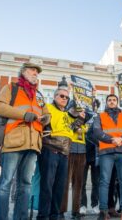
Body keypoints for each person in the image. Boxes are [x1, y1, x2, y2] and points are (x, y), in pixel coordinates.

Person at [0, 62, 49, 220]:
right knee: (5, 183)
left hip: (33, 144)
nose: (35, 73)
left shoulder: (39, 94)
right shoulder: (11, 88)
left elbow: (46, 112)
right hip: (14, 141)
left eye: (37, 72)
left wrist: (46, 118)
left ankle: (21, 217)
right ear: (23, 72)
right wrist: (23, 115)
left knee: (25, 184)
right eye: (32, 70)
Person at [37, 84, 84, 220]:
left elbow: (71, 129)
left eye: (66, 97)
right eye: (61, 96)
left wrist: (80, 119)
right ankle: (43, 215)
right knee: (47, 185)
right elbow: (42, 122)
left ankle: (55, 215)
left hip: (64, 153)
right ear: (55, 96)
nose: (64, 99)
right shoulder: (48, 107)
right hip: (50, 149)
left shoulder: (66, 114)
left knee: (60, 187)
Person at [93, 94, 122, 220]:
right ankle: (103, 211)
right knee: (104, 181)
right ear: (106, 103)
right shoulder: (100, 116)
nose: (111, 102)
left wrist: (121, 139)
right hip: (106, 151)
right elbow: (97, 131)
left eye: (114, 100)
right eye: (109, 100)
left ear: (117, 102)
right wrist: (112, 140)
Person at [60, 99, 90, 219]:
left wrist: (81, 123)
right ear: (70, 108)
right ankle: (61, 210)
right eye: (75, 109)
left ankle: (76, 210)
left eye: (79, 110)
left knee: (79, 183)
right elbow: (71, 128)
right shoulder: (66, 117)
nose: (78, 112)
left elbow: (85, 129)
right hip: (69, 151)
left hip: (81, 151)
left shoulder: (84, 119)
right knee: (65, 182)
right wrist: (79, 121)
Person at [80, 99, 101, 215]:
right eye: (93, 104)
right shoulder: (83, 114)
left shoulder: (100, 117)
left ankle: (95, 204)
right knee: (82, 181)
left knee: (96, 182)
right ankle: (82, 205)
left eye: (96, 105)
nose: (95, 106)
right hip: (83, 151)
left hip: (96, 152)